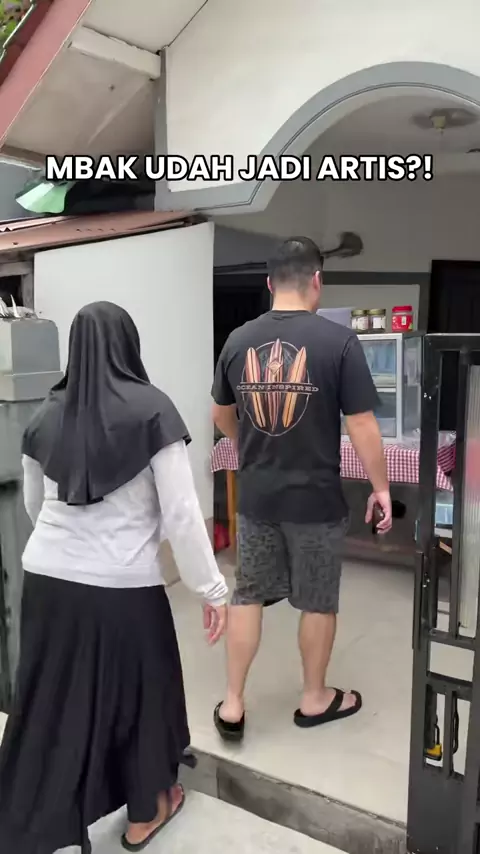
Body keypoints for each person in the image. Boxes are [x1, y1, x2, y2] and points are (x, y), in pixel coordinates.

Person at [0, 301, 228, 854]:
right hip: (124, 587)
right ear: (130, 346)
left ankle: (30, 818)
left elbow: (34, 503)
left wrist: (68, 547)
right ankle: (144, 814)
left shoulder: (45, 415)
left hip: (47, 583)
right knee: (144, 695)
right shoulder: (153, 411)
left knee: (54, 700)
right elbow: (181, 514)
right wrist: (211, 588)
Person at [211, 237, 392, 742]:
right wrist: (380, 487)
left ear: (270, 283)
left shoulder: (239, 340)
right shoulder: (340, 342)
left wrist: (250, 444)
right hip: (316, 501)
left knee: (247, 595)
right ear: (317, 281)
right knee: (317, 600)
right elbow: (362, 425)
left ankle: (233, 703)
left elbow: (220, 414)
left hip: (257, 497)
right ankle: (313, 698)